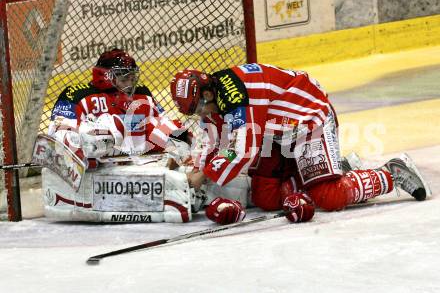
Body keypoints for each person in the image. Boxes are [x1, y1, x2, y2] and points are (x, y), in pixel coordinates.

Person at [170, 64, 428, 225]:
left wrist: (201, 175)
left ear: (206, 94)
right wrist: (194, 163)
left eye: (198, 109)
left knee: (328, 197)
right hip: (277, 132)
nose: (200, 116)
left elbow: (241, 150)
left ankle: (392, 173)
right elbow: (214, 141)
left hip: (309, 120)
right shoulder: (216, 98)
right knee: (266, 197)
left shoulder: (238, 97)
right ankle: (340, 168)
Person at [48, 48, 187, 163]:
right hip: (98, 168)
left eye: (132, 78)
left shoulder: (143, 94)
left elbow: (164, 124)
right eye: (124, 78)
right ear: (106, 76)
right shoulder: (76, 95)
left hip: (140, 166)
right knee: (105, 126)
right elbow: (58, 132)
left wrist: (179, 145)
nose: (130, 84)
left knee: (167, 128)